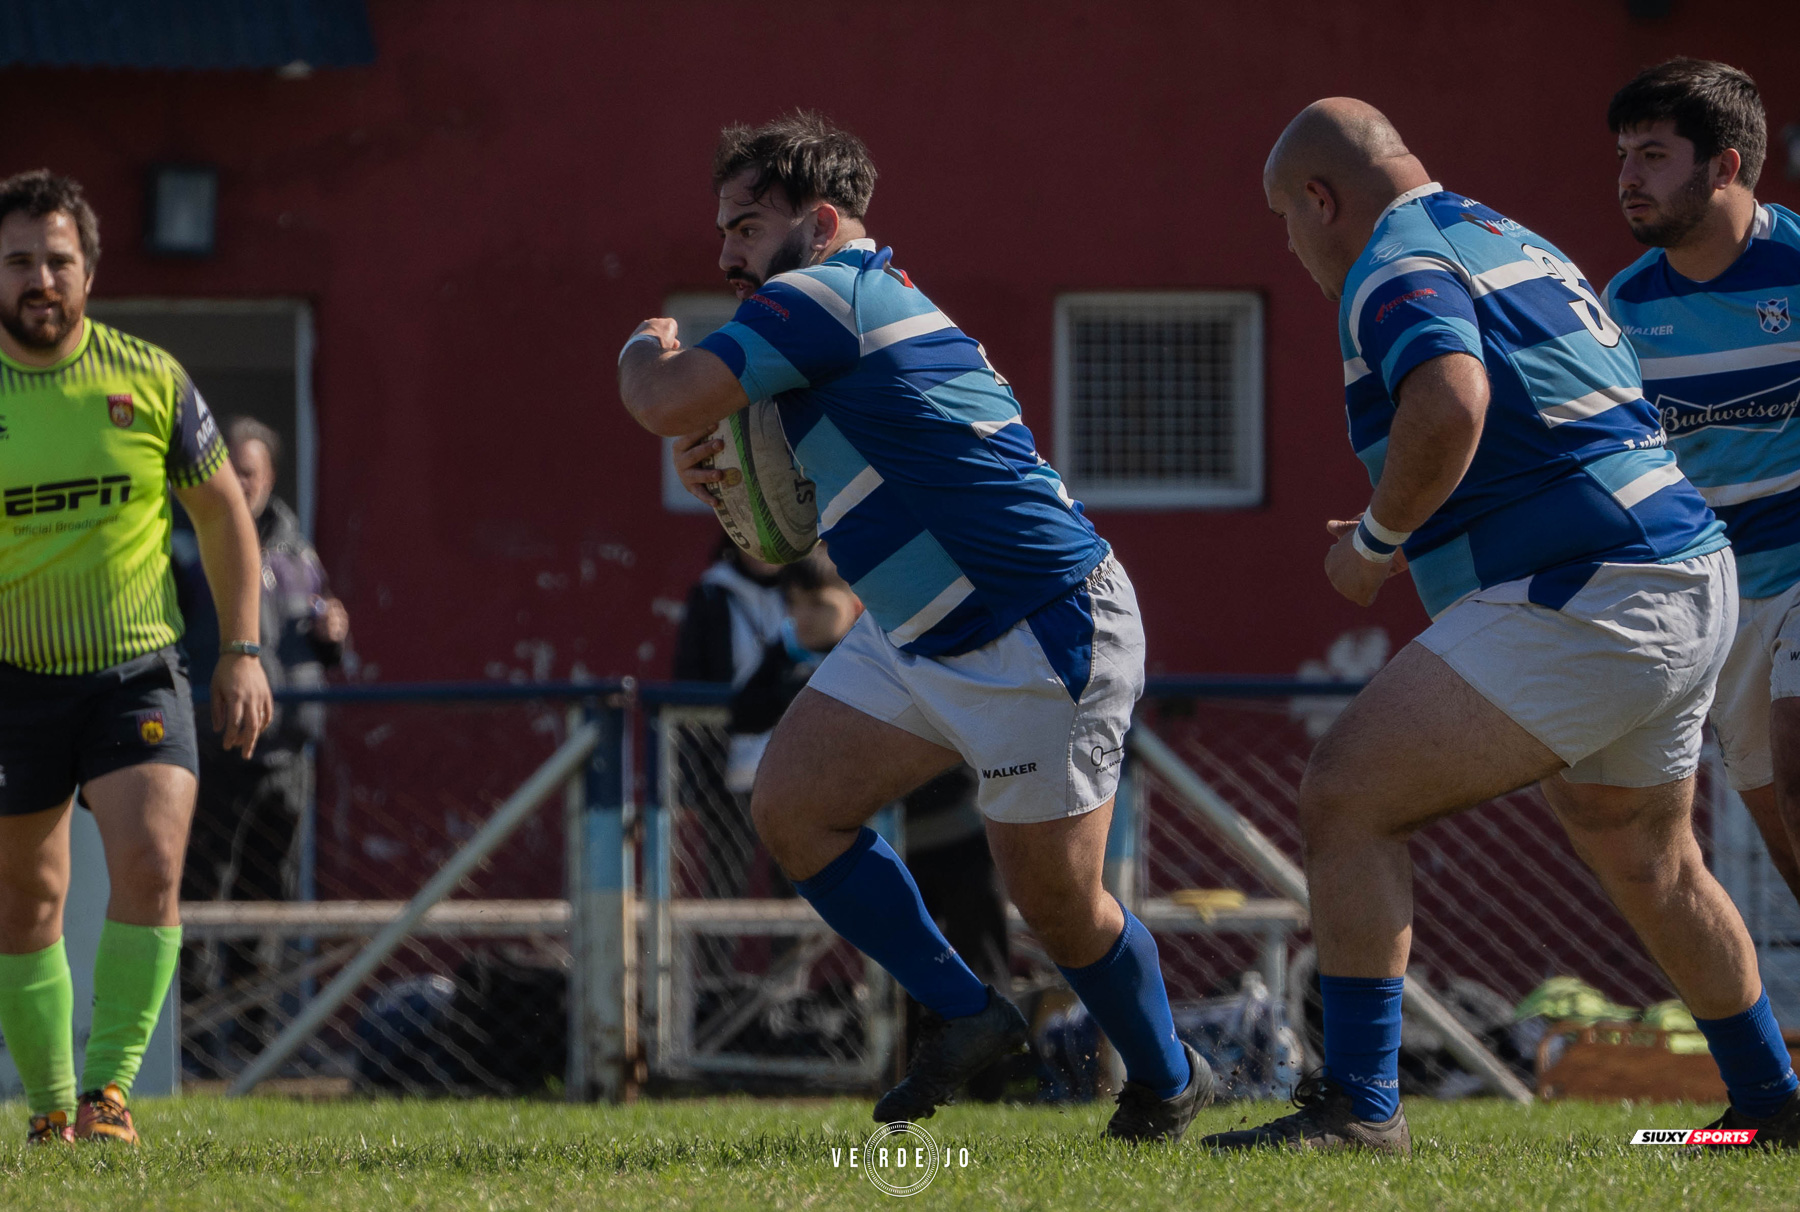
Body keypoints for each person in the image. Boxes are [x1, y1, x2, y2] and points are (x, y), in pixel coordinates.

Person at [1205, 100, 1798, 1155]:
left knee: (1348, 795)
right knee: (1649, 858)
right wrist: (1416, 518)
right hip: (1683, 569)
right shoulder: (1500, 232)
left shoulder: (1392, 260)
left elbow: (1452, 399)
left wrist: (1379, 544)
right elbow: (1549, 418)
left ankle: (1358, 1108)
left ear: (1321, 198)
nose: (1287, 244)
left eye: (1282, 217)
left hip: (1596, 590)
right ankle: (1773, 1105)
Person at [619, 113, 1210, 1142]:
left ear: (826, 221)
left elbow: (663, 396)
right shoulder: (822, 325)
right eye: (725, 229)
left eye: (748, 225)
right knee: (795, 807)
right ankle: (972, 1010)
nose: (726, 254)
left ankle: (1167, 1080)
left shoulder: (825, 296)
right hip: (918, 629)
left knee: (1058, 909)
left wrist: (643, 349)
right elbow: (779, 538)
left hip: (1039, 626)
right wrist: (729, 491)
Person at [0, 170, 271, 1145]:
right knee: (28, 899)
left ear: (89, 271)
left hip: (137, 667)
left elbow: (224, 516)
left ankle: (110, 1094)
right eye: (20, 260)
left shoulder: (149, 378)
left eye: (58, 259)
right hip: (12, 681)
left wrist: (242, 650)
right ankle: (47, 1108)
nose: (40, 278)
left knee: (152, 862)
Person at [1602, 60, 1800, 908]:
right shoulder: (1623, 305)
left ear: (1724, 166)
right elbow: (1601, 456)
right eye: (1622, 156)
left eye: (1652, 154)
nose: (1626, 178)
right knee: (1784, 833)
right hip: (1718, 600)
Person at [729, 551, 1012, 1096]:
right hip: (889, 847)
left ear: (857, 605)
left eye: (818, 604)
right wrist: (788, 668)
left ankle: (993, 1085)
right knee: (911, 961)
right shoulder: (786, 657)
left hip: (960, 831)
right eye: (792, 606)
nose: (802, 617)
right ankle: (920, 1077)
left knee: (980, 953)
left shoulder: (886, 644)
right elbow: (744, 712)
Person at [173, 416, 348, 1069]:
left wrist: (334, 632)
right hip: (216, 753)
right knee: (201, 895)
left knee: (266, 897)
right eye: (232, 471)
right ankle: (191, 1046)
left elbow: (314, 645)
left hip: (287, 754)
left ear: (269, 477)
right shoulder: (192, 551)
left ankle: (256, 1044)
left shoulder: (300, 555)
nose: (239, 483)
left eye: (250, 472)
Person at [671, 536, 789, 899]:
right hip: (731, 767)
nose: (764, 550)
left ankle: (790, 961)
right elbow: (687, 688)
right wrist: (690, 777)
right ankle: (712, 957)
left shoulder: (809, 592)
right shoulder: (712, 594)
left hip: (795, 760)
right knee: (724, 883)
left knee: (796, 883)